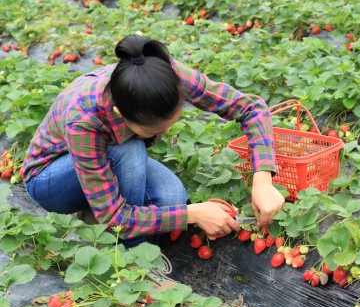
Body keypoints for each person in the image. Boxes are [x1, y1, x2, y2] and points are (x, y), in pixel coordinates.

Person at [21, 35, 285, 248]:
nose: (166, 133)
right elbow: (116, 219)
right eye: (156, 130)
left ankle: (96, 210)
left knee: (172, 198)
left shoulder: (165, 76)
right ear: (120, 115)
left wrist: (262, 179)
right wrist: (193, 214)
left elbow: (251, 108)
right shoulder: (84, 121)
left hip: (101, 163)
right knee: (129, 149)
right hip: (50, 180)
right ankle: (127, 253)